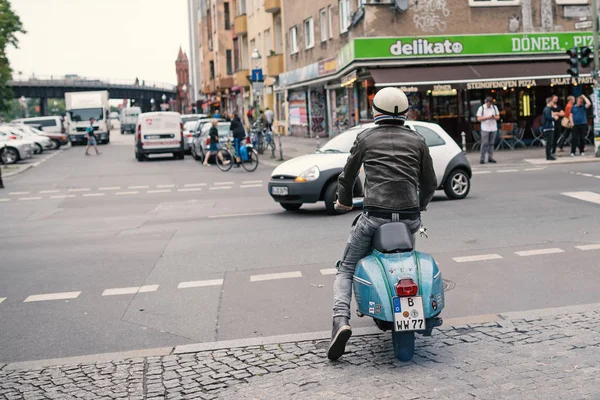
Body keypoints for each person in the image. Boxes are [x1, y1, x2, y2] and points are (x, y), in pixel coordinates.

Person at [327, 87, 437, 361]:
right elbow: (430, 183)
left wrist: (343, 202)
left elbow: (347, 177)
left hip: (375, 216)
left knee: (346, 269)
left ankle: (341, 321)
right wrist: (420, 204)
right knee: (407, 263)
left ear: (376, 111)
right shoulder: (417, 140)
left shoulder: (365, 138)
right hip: (410, 218)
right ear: (406, 113)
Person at [476, 97, 500, 164]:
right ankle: (482, 158)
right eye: (488, 103)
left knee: (491, 143)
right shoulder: (482, 108)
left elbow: (498, 117)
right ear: (486, 102)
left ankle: (490, 157)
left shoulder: (494, 108)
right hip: (485, 128)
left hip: (493, 127)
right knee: (485, 143)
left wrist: (493, 117)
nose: (489, 105)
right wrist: (487, 117)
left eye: (490, 104)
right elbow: (478, 118)